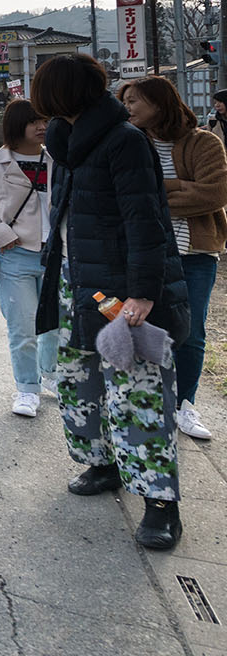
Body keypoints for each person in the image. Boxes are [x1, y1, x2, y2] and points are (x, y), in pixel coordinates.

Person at [32, 53, 189, 550]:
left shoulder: (124, 141)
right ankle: (101, 463)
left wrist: (144, 292)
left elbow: (145, 223)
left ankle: (161, 504)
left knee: (138, 391)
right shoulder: (68, 142)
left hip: (120, 292)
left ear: (61, 95)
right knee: (81, 381)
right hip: (77, 286)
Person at [120, 75, 227, 443]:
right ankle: (151, 400)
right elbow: (121, 195)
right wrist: (183, 186)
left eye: (134, 100)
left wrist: (154, 194)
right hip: (144, 253)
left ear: (159, 102)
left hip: (196, 251)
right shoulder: (127, 142)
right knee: (143, 329)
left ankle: (185, 404)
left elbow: (214, 193)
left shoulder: (204, 142)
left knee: (191, 330)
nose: (128, 108)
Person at [0, 99, 57, 417]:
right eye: (34, 121)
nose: (41, 126)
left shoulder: (58, 159)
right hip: (14, 254)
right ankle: (26, 388)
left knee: (55, 325)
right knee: (22, 327)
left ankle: (50, 374)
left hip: (56, 254)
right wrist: (1, 233)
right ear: (16, 125)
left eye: (45, 119)